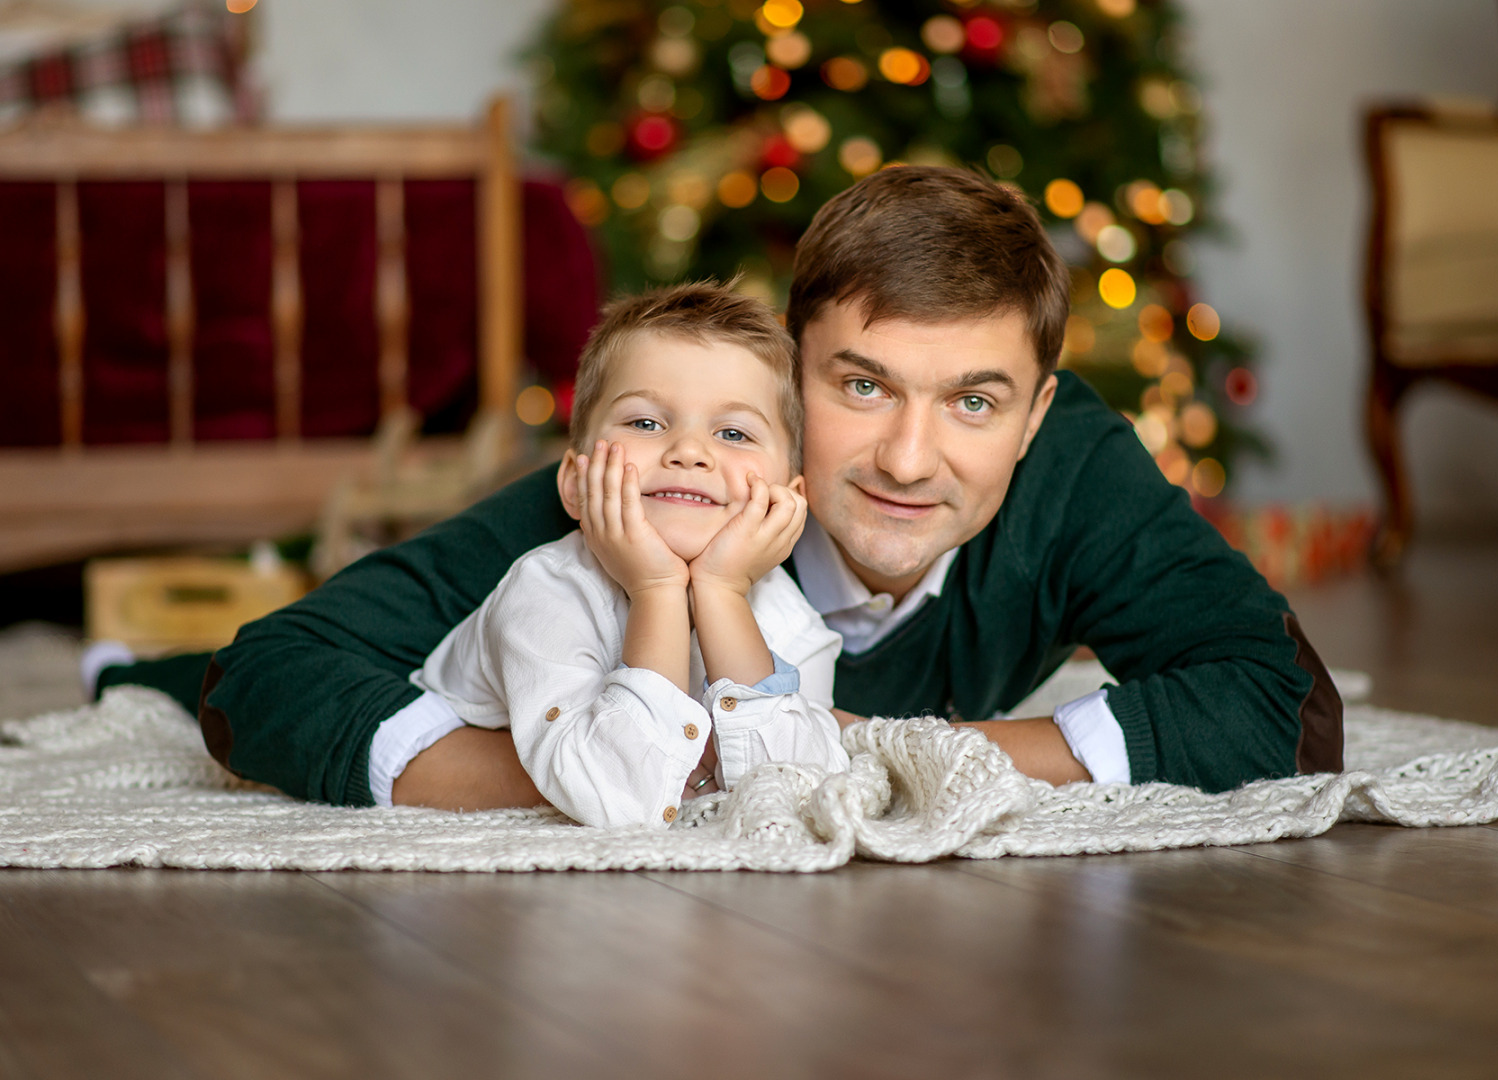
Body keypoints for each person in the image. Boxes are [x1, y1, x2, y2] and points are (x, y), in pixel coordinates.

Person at [94, 165, 1340, 811]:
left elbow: (1286, 708)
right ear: (785, 388)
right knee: (186, 673)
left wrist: (899, 756)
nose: (912, 460)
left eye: (972, 401)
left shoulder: (1075, 472)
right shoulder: (653, 488)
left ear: (1033, 415)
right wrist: (634, 763)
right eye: (860, 388)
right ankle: (118, 667)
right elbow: (266, 675)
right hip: (529, 683)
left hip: (876, 713)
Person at [408, 282, 846, 827]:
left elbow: (796, 796)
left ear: (789, 501)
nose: (689, 452)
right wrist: (658, 590)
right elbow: (620, 801)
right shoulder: (545, 593)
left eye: (733, 433)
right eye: (645, 423)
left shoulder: (790, 620)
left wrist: (721, 592)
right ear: (575, 482)